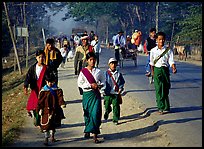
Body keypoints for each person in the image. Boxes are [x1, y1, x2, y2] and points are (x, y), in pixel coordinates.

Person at [77, 52, 105, 143]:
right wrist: (90, 85)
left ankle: (95, 135)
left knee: (95, 114)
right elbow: (80, 84)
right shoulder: (83, 72)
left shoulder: (98, 72)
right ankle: (88, 130)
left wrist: (99, 85)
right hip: (87, 95)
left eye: (94, 60)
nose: (92, 61)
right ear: (87, 61)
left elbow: (104, 82)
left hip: (96, 95)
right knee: (87, 113)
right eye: (90, 60)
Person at [149, 32, 177, 115]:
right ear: (156, 40)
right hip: (157, 70)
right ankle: (160, 107)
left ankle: (166, 106)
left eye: (163, 39)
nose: (161, 41)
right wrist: (153, 73)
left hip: (165, 70)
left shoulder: (168, 50)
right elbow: (151, 63)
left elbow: (171, 61)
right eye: (159, 39)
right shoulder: (153, 51)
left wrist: (173, 67)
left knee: (166, 88)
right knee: (158, 89)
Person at [36, 72, 66, 146]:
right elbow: (40, 101)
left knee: (53, 124)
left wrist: (62, 104)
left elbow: (60, 98)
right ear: (46, 81)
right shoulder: (43, 91)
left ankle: (52, 136)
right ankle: (46, 139)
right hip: (45, 110)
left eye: (52, 82)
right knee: (46, 125)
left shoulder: (58, 90)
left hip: (55, 110)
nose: (50, 83)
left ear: (54, 81)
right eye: (48, 82)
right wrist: (39, 109)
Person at [24, 49, 47, 127]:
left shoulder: (46, 68)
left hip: (44, 90)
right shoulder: (32, 68)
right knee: (35, 105)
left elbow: (50, 78)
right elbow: (28, 77)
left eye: (43, 57)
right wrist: (26, 86)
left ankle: (42, 121)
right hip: (35, 89)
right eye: (39, 57)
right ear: (36, 57)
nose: (41, 59)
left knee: (43, 105)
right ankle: (37, 118)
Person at [102, 58, 125, 125]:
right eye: (112, 63)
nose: (113, 65)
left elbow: (122, 82)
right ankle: (108, 110)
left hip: (115, 93)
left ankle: (115, 119)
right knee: (106, 105)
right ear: (109, 65)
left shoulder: (118, 74)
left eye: (115, 63)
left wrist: (120, 89)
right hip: (107, 93)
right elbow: (102, 82)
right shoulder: (105, 73)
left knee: (116, 106)